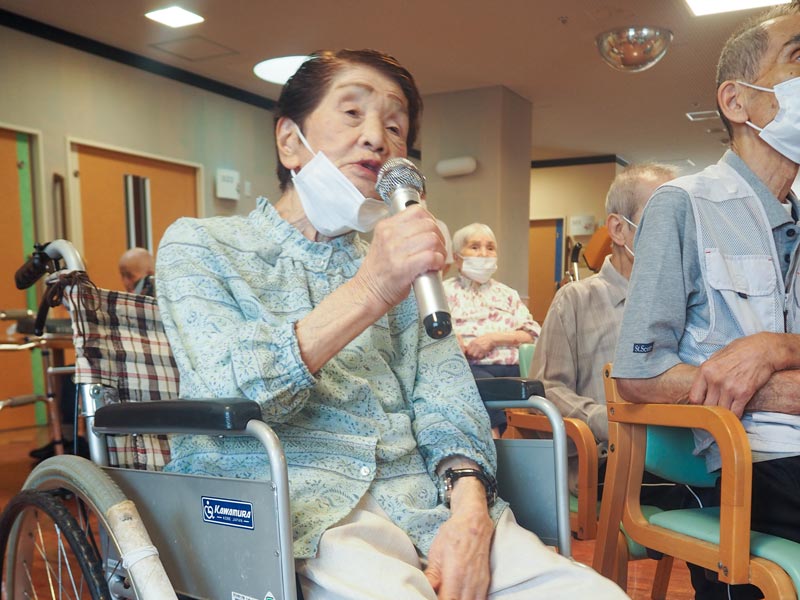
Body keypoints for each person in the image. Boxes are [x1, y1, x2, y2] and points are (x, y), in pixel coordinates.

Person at [156, 49, 624, 599]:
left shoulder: (404, 271)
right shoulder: (203, 245)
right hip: (297, 511)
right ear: (290, 141)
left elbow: (449, 399)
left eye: (395, 126)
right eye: (352, 113)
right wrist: (373, 288)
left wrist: (470, 516)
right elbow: (226, 393)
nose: (378, 137)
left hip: (430, 504)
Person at [612, 3, 800, 598]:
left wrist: (775, 347)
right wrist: (770, 388)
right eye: (798, 58)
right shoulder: (683, 205)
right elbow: (639, 372)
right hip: (757, 464)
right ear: (737, 101)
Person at [530, 163, 678, 492]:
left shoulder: (686, 301)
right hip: (607, 463)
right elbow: (547, 390)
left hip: (683, 458)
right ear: (619, 229)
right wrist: (604, 419)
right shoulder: (576, 300)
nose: (676, 233)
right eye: (662, 217)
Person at [30, 247, 157, 463]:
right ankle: (70, 441)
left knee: (73, 377)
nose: (126, 281)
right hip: (149, 368)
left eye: (127, 275)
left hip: (130, 367)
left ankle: (69, 442)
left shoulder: (143, 294)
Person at [443, 223, 541, 436]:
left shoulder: (507, 294)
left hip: (513, 367)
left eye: (490, 247)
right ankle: (496, 436)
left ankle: (497, 440)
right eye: (475, 247)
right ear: (457, 257)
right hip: (472, 367)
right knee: (473, 382)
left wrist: (493, 339)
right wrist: (452, 337)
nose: (484, 254)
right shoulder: (443, 292)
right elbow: (430, 330)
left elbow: (532, 333)